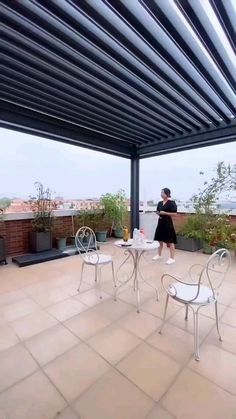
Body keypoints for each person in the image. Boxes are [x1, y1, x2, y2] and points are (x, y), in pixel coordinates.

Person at [152, 188, 177, 265]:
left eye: (163, 192)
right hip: (160, 222)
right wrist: (158, 214)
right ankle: (159, 255)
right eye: (161, 192)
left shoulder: (171, 203)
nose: (161, 194)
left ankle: (172, 258)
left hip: (167, 223)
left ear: (167, 194)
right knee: (159, 240)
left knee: (170, 240)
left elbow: (175, 213)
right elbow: (159, 212)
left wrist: (165, 213)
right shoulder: (159, 203)